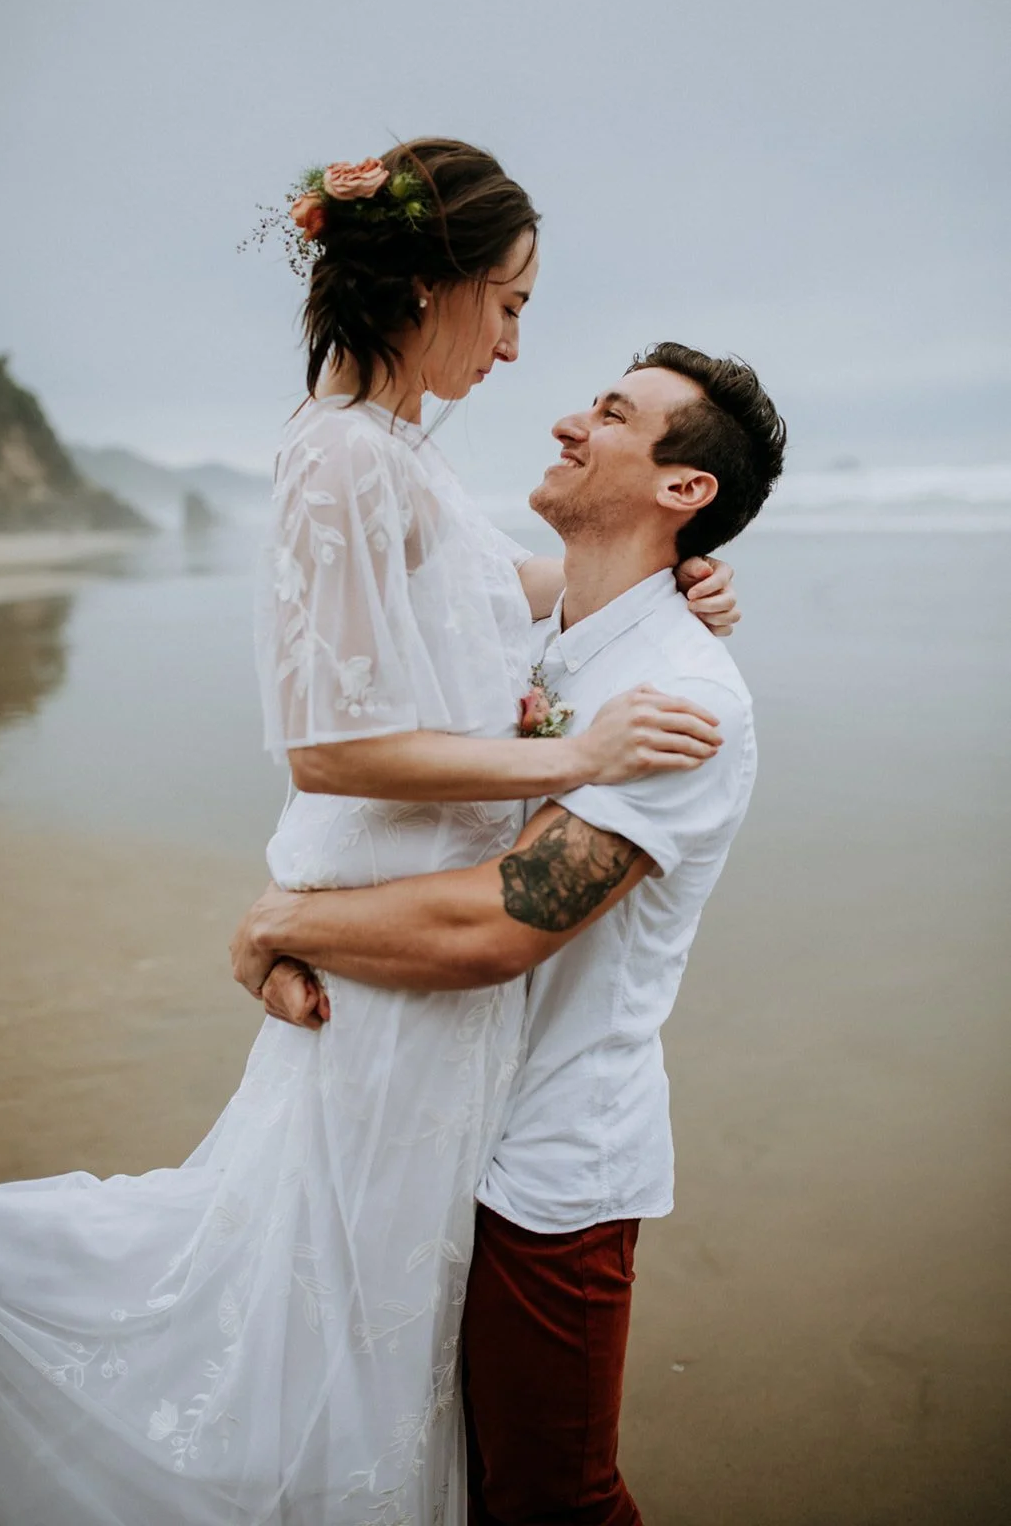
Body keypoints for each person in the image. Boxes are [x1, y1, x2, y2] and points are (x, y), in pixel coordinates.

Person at [0, 141, 735, 1526]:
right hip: (392, 975)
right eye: (508, 303)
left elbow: (498, 592)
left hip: (426, 994)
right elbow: (325, 747)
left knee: (342, 1320)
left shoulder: (398, 458)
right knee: (279, 1298)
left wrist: (670, 588)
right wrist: (578, 750)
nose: (513, 345)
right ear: (430, 283)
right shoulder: (341, 457)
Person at [231, 341, 787, 1525]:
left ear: (684, 486)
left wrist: (285, 922)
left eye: (612, 414)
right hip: (430, 1131)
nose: (567, 422)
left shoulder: (682, 698)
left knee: (549, 1499)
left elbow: (500, 921)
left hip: (550, 1168)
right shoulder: (543, 643)